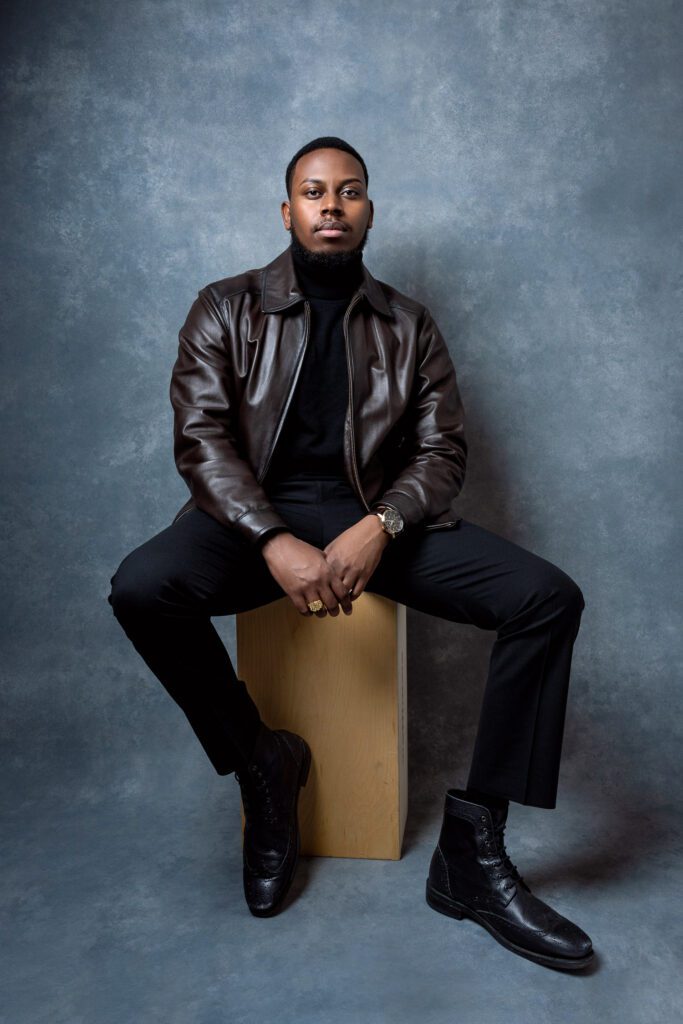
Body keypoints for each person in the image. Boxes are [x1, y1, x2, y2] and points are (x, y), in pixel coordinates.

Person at [107, 135, 593, 970]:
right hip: (245, 520)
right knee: (141, 587)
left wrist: (384, 525)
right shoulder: (224, 307)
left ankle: (470, 856)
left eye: (350, 191)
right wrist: (271, 538)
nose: (331, 205)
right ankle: (263, 762)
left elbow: (442, 452)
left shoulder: (408, 323)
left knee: (547, 597)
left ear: (368, 210)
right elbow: (201, 440)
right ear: (287, 209)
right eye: (313, 191)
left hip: (375, 519)